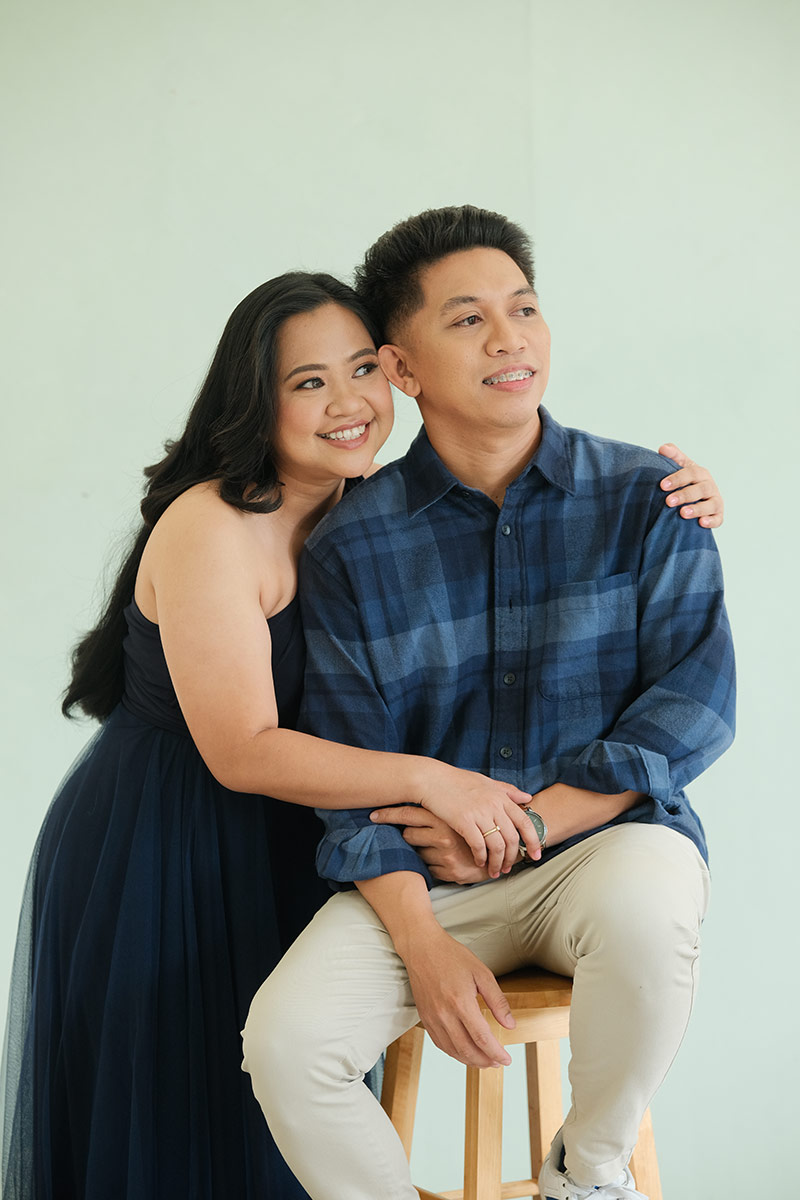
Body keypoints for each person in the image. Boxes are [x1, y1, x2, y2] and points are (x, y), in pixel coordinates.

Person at [1, 266, 722, 1200]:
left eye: (362, 371)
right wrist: (431, 782)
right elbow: (242, 749)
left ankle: (587, 1174)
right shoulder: (212, 525)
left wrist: (683, 501)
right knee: (182, 1104)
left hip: (309, 830)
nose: (348, 403)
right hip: (172, 834)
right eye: (309, 382)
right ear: (254, 402)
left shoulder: (371, 508)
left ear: (396, 373)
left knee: (270, 1112)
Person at [241, 207, 736, 1200]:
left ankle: (587, 1173)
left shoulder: (650, 498)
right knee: (287, 1042)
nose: (509, 339)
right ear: (402, 369)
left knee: (650, 913)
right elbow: (350, 774)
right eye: (468, 319)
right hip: (425, 880)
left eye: (524, 308)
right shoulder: (352, 547)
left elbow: (692, 706)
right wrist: (420, 940)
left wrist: (528, 824)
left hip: (600, 847)